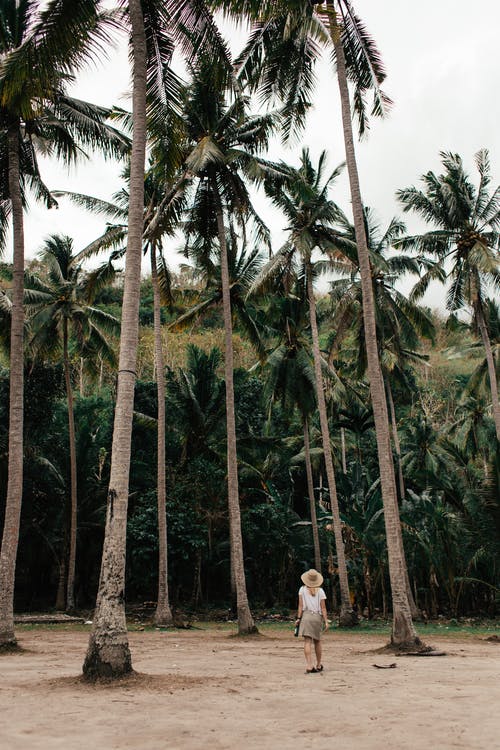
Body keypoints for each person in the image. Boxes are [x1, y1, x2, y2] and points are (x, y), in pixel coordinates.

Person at [295, 569, 328, 673]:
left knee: (307, 642)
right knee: (317, 642)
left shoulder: (302, 589)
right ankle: (318, 665)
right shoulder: (321, 591)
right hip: (317, 617)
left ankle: (309, 665)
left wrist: (298, 618)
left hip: (306, 616)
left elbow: (300, 606)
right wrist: (326, 621)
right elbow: (323, 608)